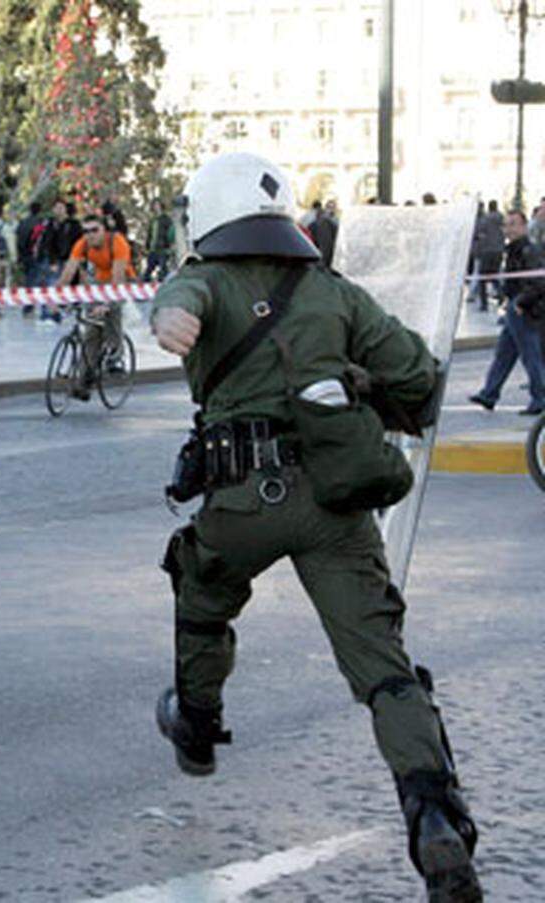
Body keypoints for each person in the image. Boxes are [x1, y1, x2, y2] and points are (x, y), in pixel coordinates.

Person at [150, 152, 481, 902]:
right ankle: (433, 814)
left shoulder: (206, 277)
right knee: (385, 670)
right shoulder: (335, 290)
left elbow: (181, 298)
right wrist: (358, 382)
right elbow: (417, 378)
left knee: (201, 593)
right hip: (337, 502)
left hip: (242, 502)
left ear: (209, 215)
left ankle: (197, 724)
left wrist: (172, 318)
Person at [469, 209, 545, 415]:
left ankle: (540, 398)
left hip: (524, 311)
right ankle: (489, 393)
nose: (508, 229)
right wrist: (505, 295)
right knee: (504, 354)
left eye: (513, 224)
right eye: (506, 225)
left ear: (523, 226)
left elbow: (538, 282)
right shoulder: (513, 249)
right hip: (515, 308)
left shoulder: (529, 250)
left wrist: (520, 303)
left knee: (531, 356)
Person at [53, 213, 135, 399]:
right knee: (91, 333)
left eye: (94, 230)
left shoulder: (117, 242)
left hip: (121, 279)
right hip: (97, 282)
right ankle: (83, 384)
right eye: (86, 231)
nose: (90, 235)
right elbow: (68, 271)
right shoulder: (82, 243)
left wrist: (106, 303)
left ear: (104, 230)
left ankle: (116, 357)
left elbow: (117, 277)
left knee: (112, 313)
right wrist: (55, 297)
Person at [472, 200, 505, 312]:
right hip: (499, 251)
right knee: (494, 275)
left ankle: (484, 304)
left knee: (482, 278)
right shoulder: (502, 219)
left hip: (487, 251)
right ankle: (501, 295)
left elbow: (478, 233)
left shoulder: (485, 220)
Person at [143, 198, 175, 282]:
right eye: (154, 205)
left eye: (157, 204)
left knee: (163, 272)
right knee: (147, 272)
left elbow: (171, 234)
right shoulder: (152, 220)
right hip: (152, 250)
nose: (156, 207)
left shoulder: (166, 219)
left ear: (161, 205)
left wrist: (170, 246)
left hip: (163, 250)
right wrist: (147, 246)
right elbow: (149, 234)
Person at [308, 198, 338, 267]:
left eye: (332, 207)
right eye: (328, 207)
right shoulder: (318, 219)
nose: (330, 209)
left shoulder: (336, 221)